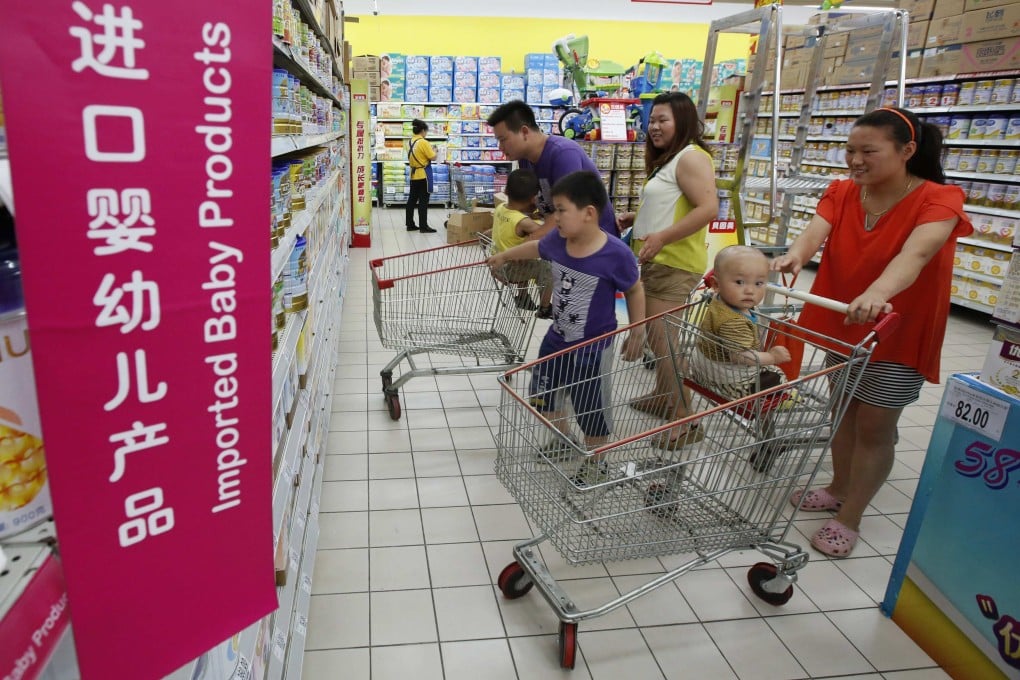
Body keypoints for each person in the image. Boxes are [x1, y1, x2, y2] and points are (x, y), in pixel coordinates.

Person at [772, 106, 973, 558]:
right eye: (850, 150)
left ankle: (851, 515)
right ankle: (838, 485)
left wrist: (878, 292)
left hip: (898, 329)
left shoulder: (940, 199)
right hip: (845, 322)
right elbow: (814, 232)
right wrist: (794, 257)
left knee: (876, 426)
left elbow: (916, 255)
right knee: (842, 409)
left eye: (868, 151)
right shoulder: (844, 191)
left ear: (907, 151)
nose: (855, 160)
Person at [487, 171, 645, 486]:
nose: (553, 216)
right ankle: (562, 440)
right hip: (557, 337)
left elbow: (635, 290)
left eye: (560, 209)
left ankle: (596, 461)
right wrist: (504, 255)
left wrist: (638, 329)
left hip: (593, 348)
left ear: (588, 213)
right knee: (543, 394)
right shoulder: (558, 241)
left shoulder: (616, 254)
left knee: (591, 407)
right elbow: (535, 249)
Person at [615, 91, 718, 450]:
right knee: (661, 342)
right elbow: (672, 204)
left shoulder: (691, 157)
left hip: (673, 263)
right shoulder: (671, 160)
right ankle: (663, 396)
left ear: (683, 122)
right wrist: (636, 218)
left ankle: (684, 419)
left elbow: (708, 208)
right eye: (652, 119)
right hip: (657, 260)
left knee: (663, 341)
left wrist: (662, 237)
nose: (654, 127)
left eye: (663, 120)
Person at [486, 100, 619, 237]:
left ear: (524, 132)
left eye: (503, 139)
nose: (500, 147)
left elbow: (568, 214)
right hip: (567, 238)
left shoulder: (564, 154)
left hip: (595, 243)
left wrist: (525, 245)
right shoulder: (524, 159)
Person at [689, 246, 790, 398]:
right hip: (728, 381)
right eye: (740, 282)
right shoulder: (733, 322)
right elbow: (741, 356)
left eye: (758, 283)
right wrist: (772, 357)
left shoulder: (720, 301)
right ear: (716, 284)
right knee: (777, 375)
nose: (750, 290)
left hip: (704, 369)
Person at [490, 169, 554, 317]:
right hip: (512, 269)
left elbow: (512, 220)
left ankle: (523, 297)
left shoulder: (500, 208)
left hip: (498, 264)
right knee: (546, 269)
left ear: (506, 191)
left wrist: (532, 216)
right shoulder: (523, 222)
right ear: (533, 199)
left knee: (523, 255)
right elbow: (543, 232)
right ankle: (545, 308)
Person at [406, 119, 437, 233]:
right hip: (423, 175)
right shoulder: (423, 142)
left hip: (413, 175)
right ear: (423, 130)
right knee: (423, 202)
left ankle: (410, 224)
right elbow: (432, 157)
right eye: (426, 131)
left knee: (411, 200)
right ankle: (423, 226)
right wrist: (435, 151)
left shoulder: (409, 142)